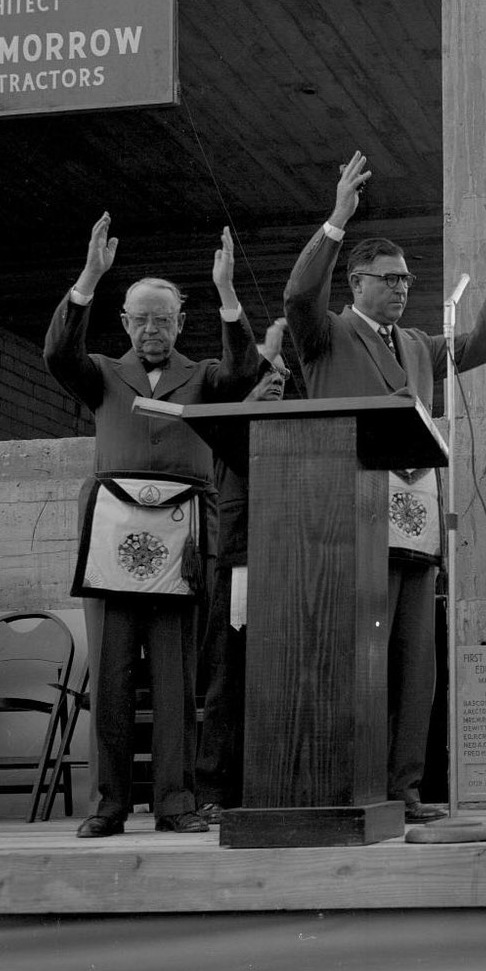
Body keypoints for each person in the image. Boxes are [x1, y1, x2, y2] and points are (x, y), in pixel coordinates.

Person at [283, 152, 486, 823]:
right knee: (358, 658)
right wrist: (336, 218)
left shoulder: (416, 344)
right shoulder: (324, 336)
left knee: (417, 664)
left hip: (416, 520)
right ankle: (350, 787)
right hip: (352, 514)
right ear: (356, 284)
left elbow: (481, 344)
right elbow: (299, 297)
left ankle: (407, 789)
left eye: (407, 279)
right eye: (388, 279)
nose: (401, 288)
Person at [45, 215, 261, 838]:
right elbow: (57, 352)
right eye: (140, 318)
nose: (150, 329)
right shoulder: (102, 374)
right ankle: (108, 805)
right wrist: (90, 275)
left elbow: (245, 369)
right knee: (111, 676)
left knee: (175, 678)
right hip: (114, 541)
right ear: (124, 323)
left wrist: (226, 291)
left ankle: (175, 802)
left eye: (162, 319)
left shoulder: (205, 377)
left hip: (183, 541)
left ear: (179, 323)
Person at [194, 320, 290, 824]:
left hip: (291, 564)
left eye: (278, 373)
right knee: (230, 675)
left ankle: (275, 781)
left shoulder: (298, 429)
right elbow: (228, 431)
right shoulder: (228, 429)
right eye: (263, 373)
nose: (274, 379)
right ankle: (214, 788)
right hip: (240, 564)